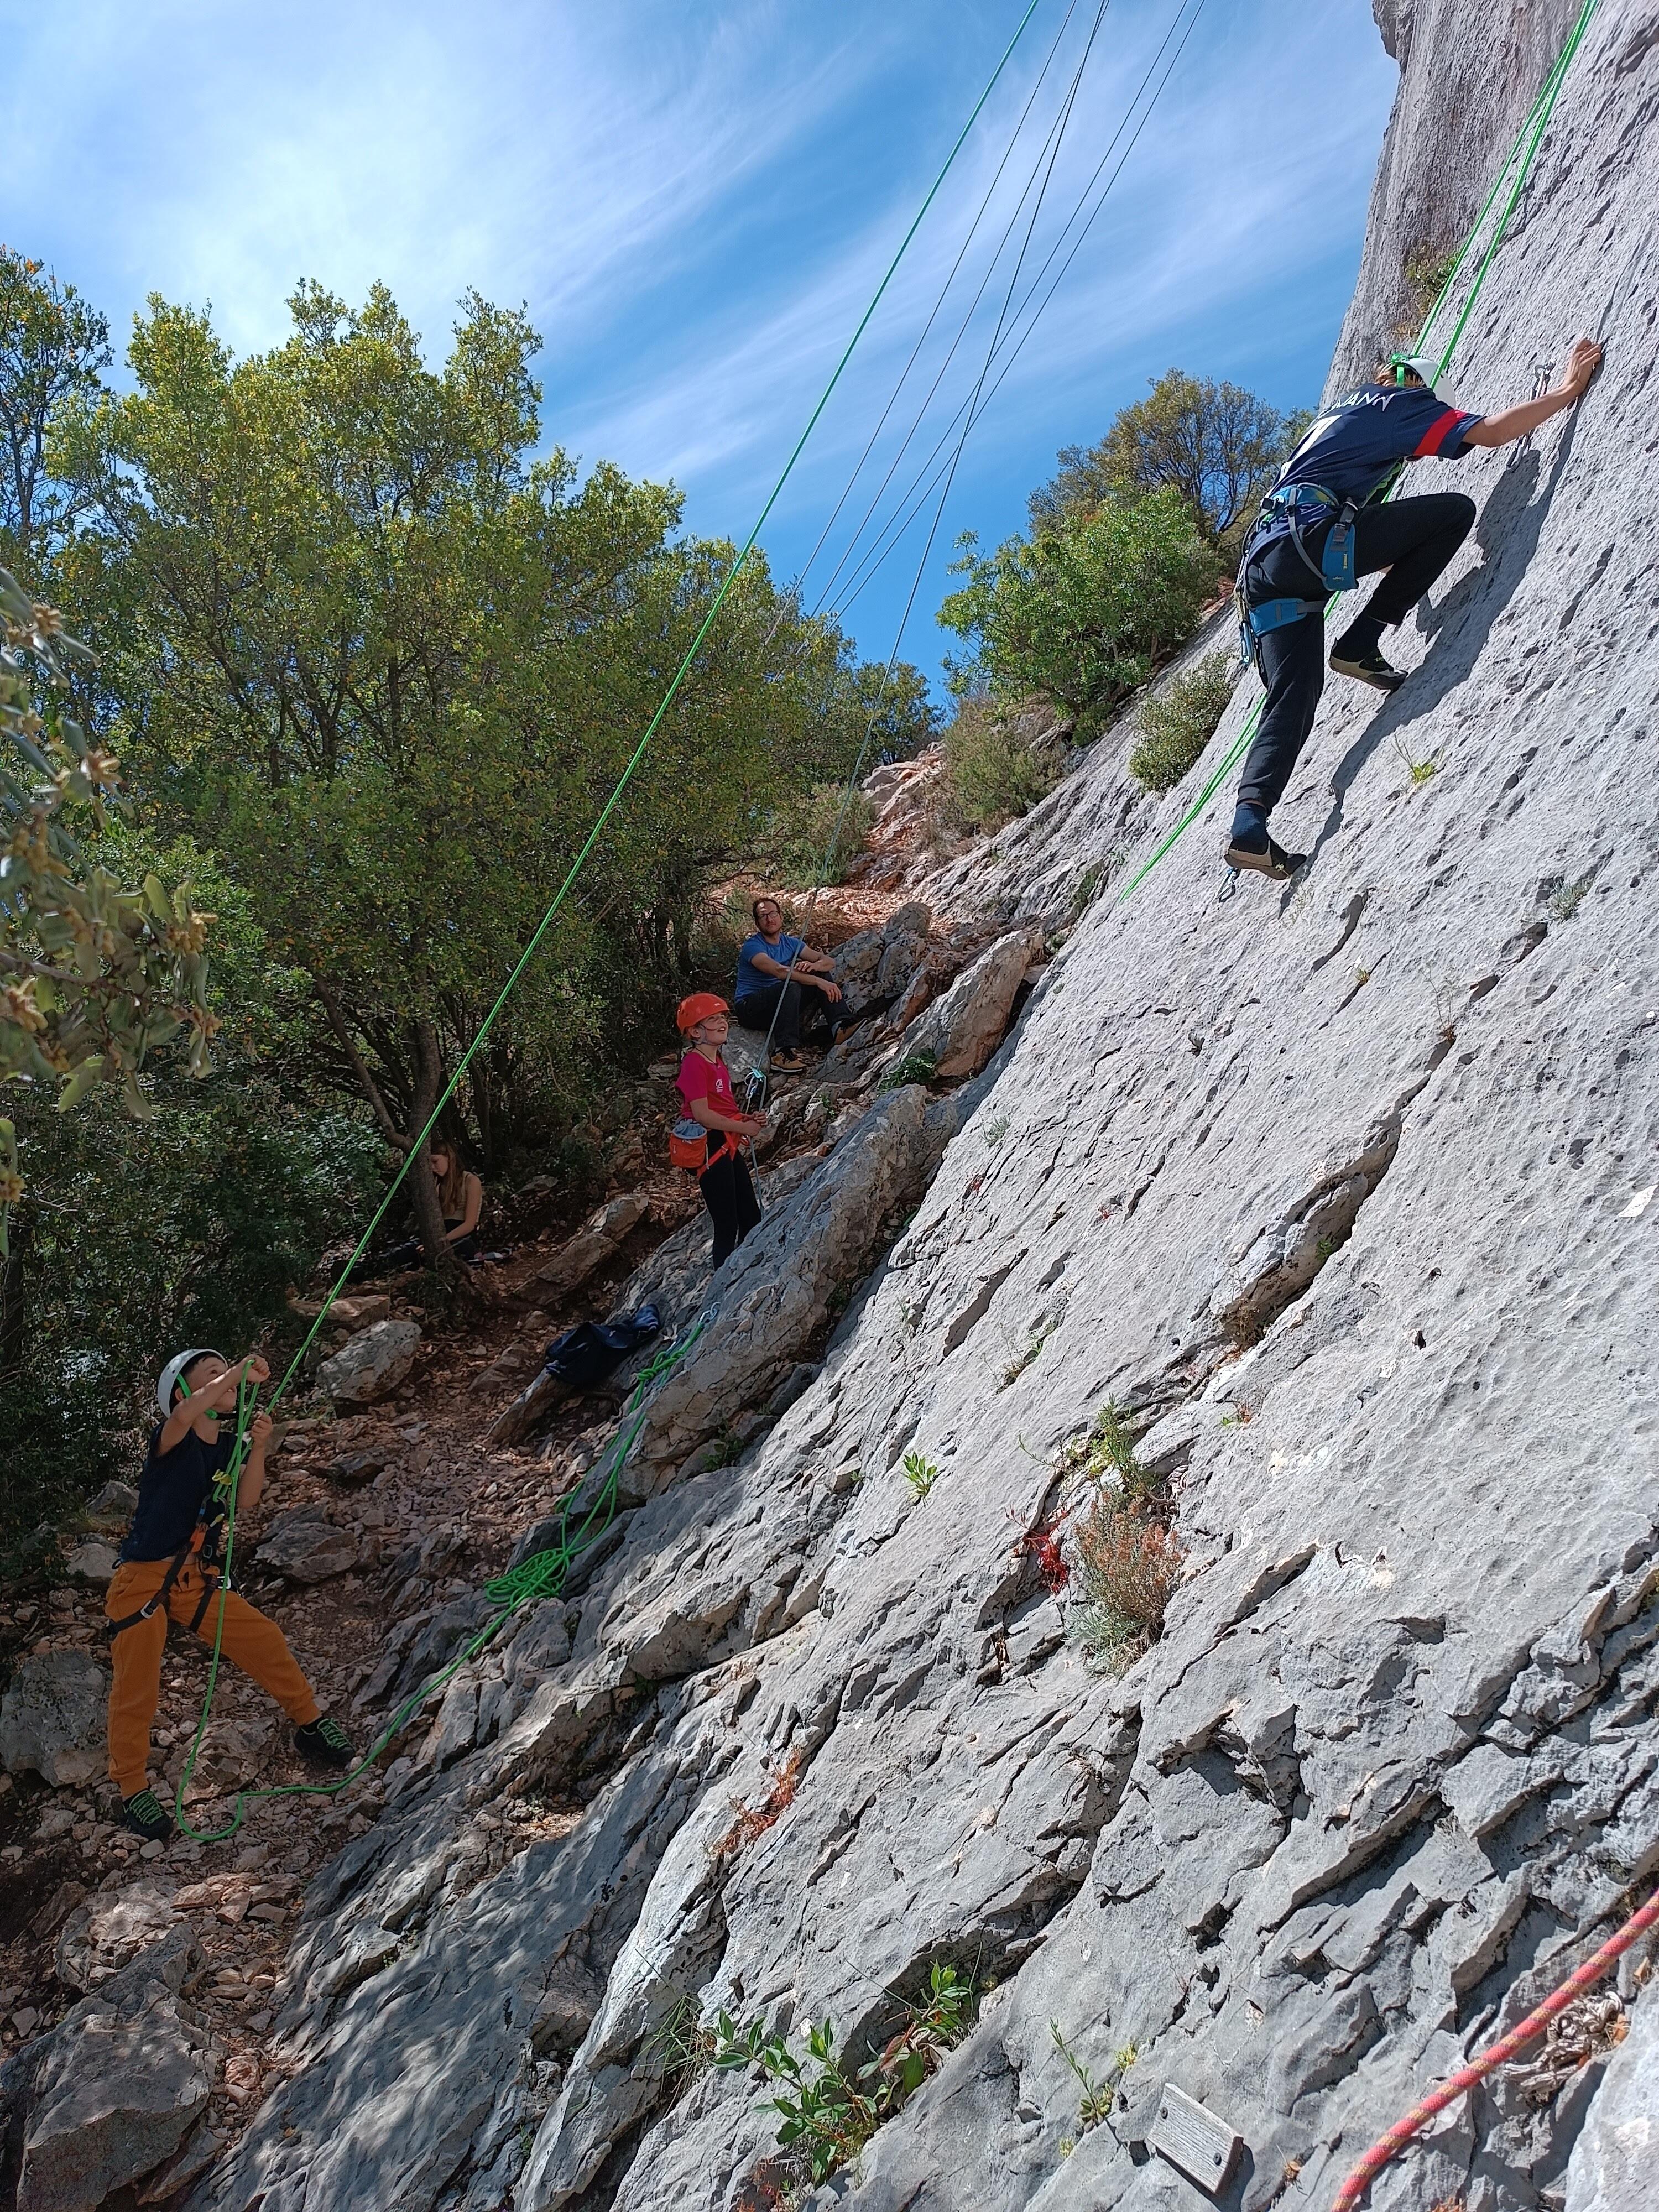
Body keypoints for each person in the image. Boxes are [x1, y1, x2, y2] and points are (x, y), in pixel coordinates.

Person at [1227, 336, 1603, 880]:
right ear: (1418, 384)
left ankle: (1249, 823)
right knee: (1453, 513)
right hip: (1309, 540)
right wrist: (1568, 390)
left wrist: (1401, 563)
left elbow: (1358, 527)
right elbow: (1491, 432)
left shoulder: (1337, 417)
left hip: (1265, 565)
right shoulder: (1402, 401)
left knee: (1293, 695)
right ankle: (1361, 641)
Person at [105, 1348, 355, 1842]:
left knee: (264, 1638)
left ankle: (309, 1723)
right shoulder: (170, 1439)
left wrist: (258, 1448)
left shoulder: (227, 1447)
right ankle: (131, 1788)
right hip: (142, 1581)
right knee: (138, 1685)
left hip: (195, 1579)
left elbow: (247, 1499)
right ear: (186, 1390)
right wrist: (238, 1371)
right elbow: (184, 1414)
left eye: (226, 1374)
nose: (228, 1381)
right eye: (212, 1374)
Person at [675, 993, 767, 1269]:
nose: (722, 1023)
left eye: (723, 1018)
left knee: (750, 1215)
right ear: (695, 1032)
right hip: (710, 1147)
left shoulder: (717, 1061)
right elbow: (702, 1115)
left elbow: (721, 1108)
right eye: (713, 1019)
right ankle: (724, 1284)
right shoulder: (694, 1063)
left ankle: (749, 1272)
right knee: (727, 1224)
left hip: (724, 1143)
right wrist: (743, 1127)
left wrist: (747, 1118)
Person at [733, 896, 844, 1072]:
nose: (769, 919)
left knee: (818, 972)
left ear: (781, 916)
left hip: (781, 1006)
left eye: (773, 914)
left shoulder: (791, 943)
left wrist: (815, 967)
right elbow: (779, 971)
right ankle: (783, 1052)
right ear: (757, 923)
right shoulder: (753, 947)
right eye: (763, 916)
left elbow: (829, 961)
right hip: (751, 1008)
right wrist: (818, 981)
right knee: (791, 985)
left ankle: (840, 1026)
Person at [375, 1143, 486, 1272]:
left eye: (435, 1161)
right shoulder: (438, 1184)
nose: (433, 1168)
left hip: (460, 1237)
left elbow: (470, 1224)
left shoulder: (471, 1181)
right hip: (438, 1233)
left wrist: (440, 1241)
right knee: (399, 1254)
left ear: (449, 1157)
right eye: (430, 1164)